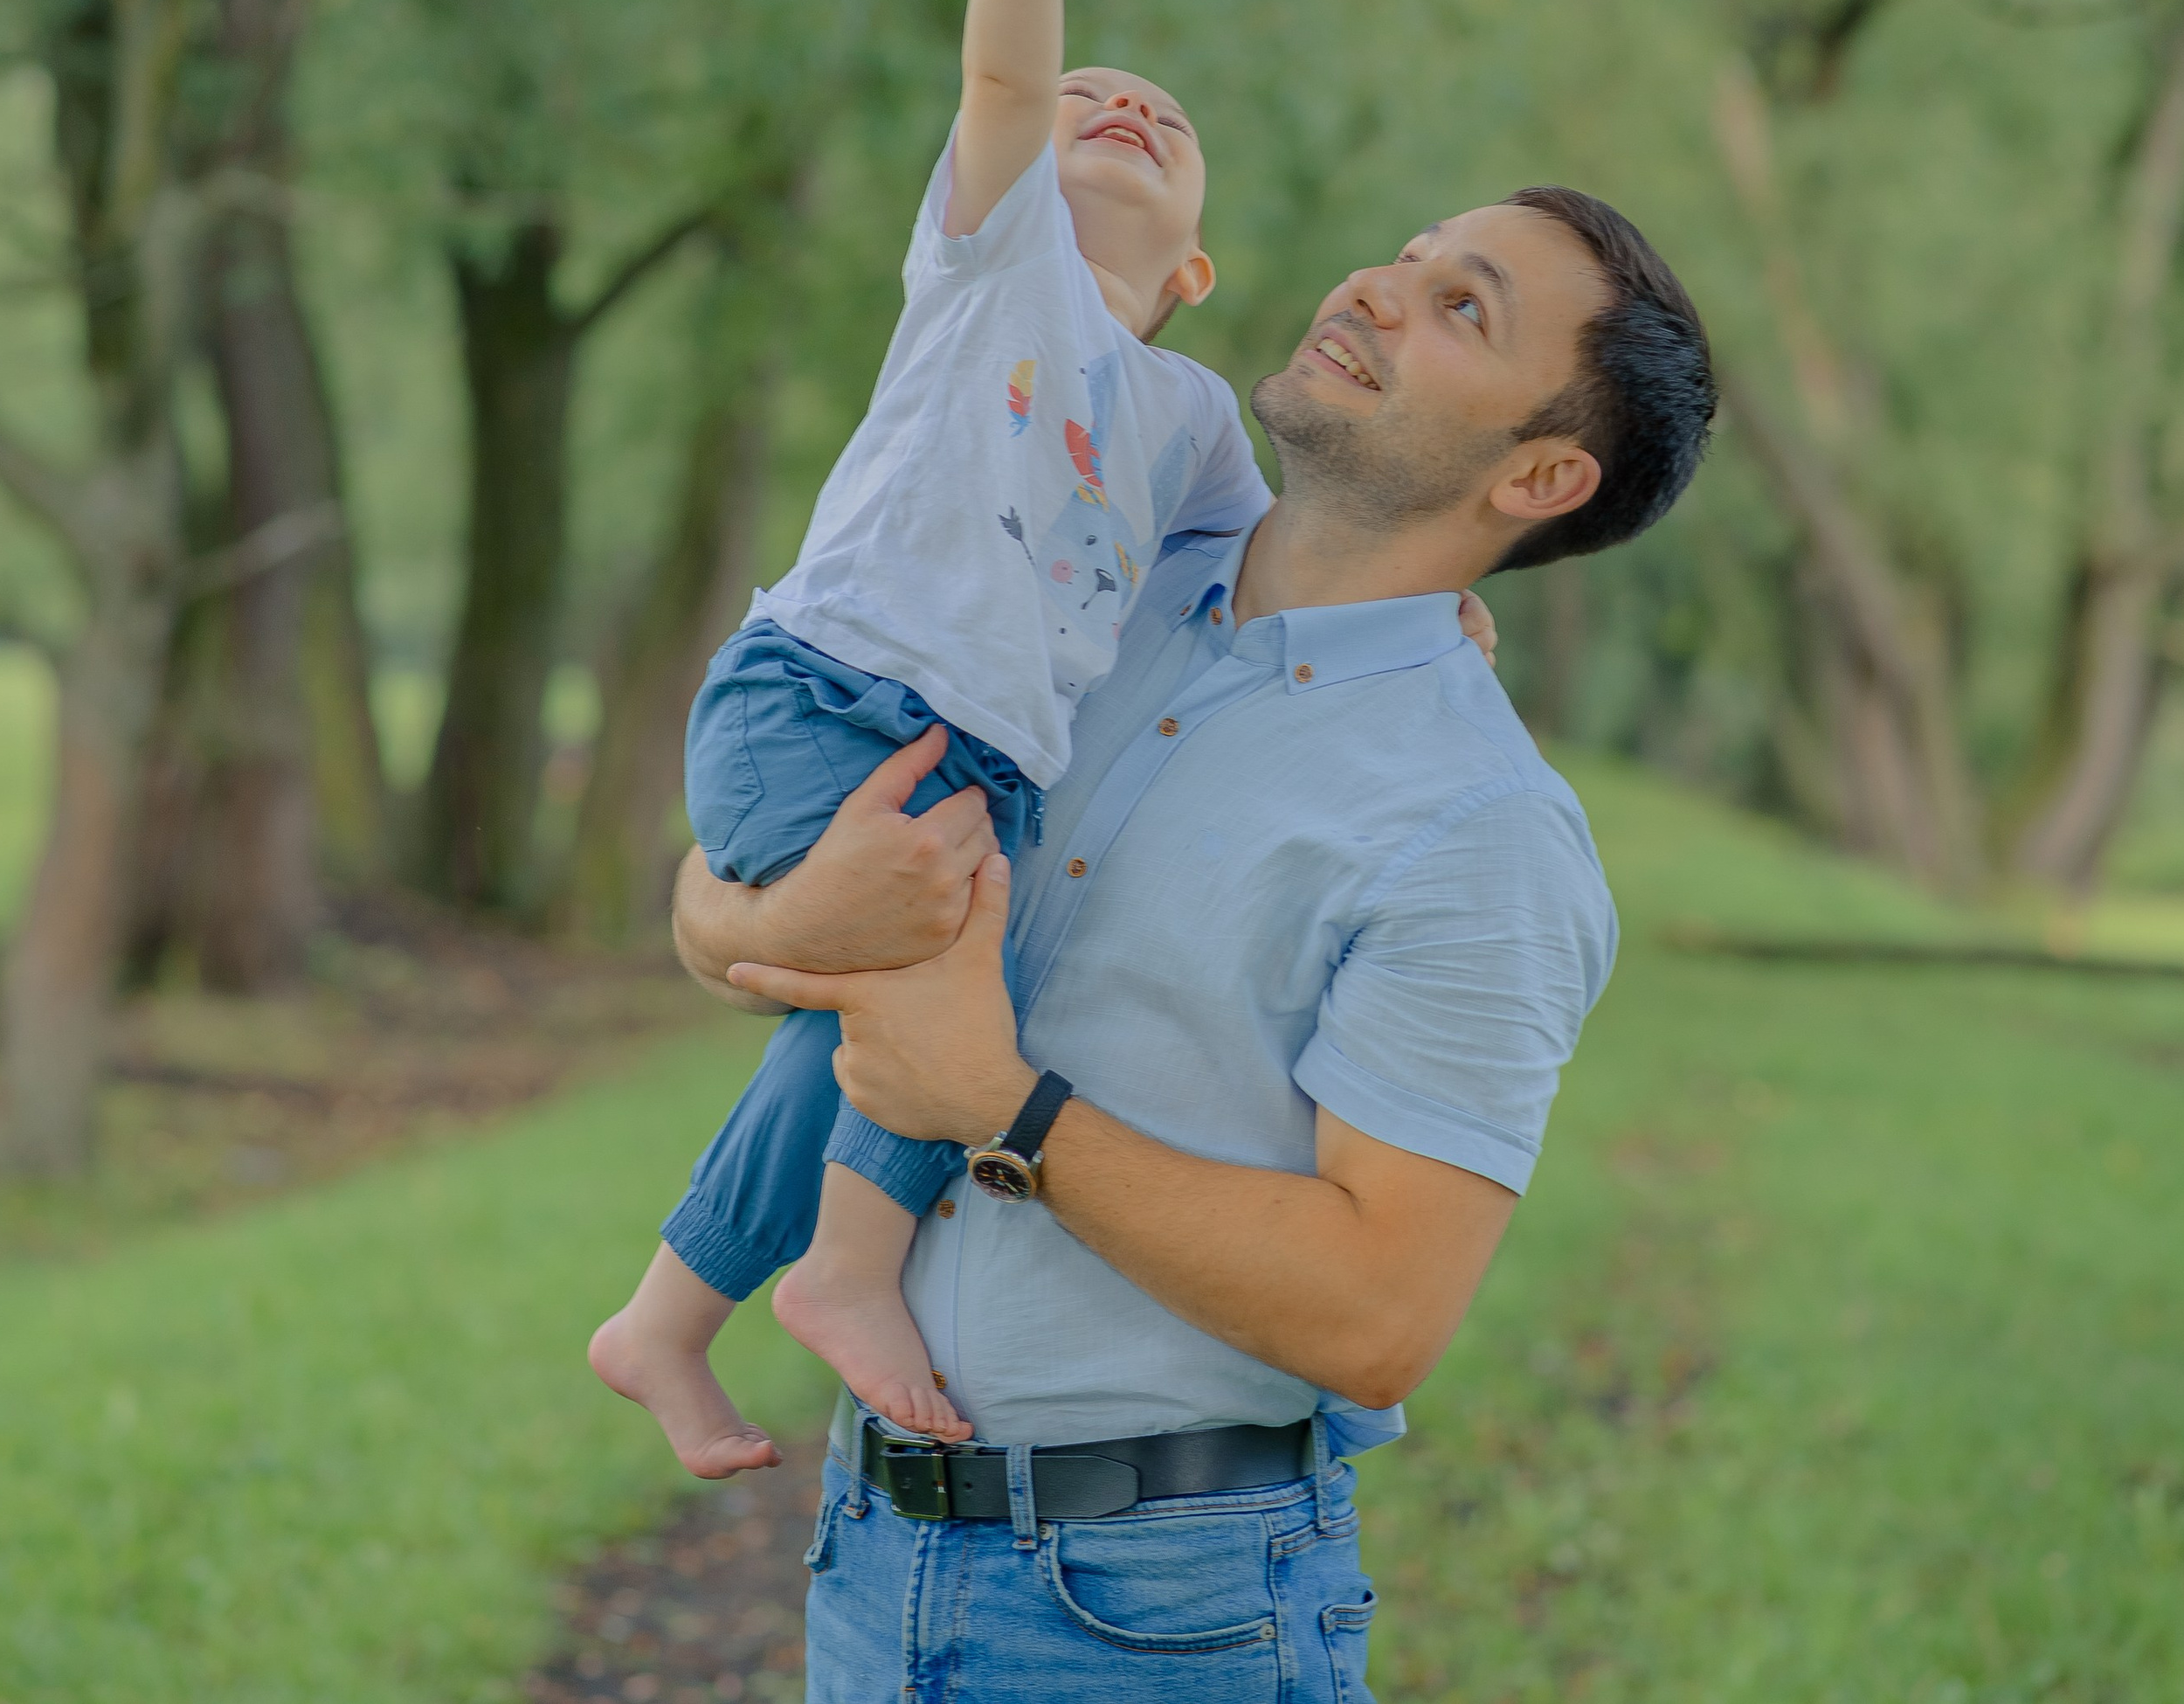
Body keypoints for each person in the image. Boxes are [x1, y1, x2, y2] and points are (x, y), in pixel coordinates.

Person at [680, 171, 1716, 1699]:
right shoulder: (1067, 580)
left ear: (1545, 475)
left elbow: (1378, 1318)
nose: (1376, 287)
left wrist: (1003, 1106)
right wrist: (774, 919)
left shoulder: (1480, 830)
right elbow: (731, 872)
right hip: (869, 1556)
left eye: (1462, 307)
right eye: (1410, 254)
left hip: (1158, 1614)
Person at [591, 0, 1296, 1471]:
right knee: (945, 997)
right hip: (824, 694)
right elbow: (1003, 77)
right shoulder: (997, 266)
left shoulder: (1194, 419)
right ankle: (843, 1272)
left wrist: (1432, 602)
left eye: (1162, 117)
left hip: (970, 758)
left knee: (864, 1038)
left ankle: (665, 1319)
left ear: (1197, 270)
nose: (1119, 105)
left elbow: (1273, 571)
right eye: (1092, 96)